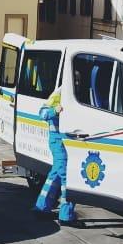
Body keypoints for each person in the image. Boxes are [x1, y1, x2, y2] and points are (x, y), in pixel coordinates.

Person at [34, 89, 76, 224]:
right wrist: (55, 111)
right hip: (58, 142)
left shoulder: (74, 93)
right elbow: (42, 113)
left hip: (66, 141)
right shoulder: (59, 93)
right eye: (76, 79)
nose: (77, 82)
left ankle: (41, 207)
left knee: (56, 175)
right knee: (67, 177)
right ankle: (66, 215)